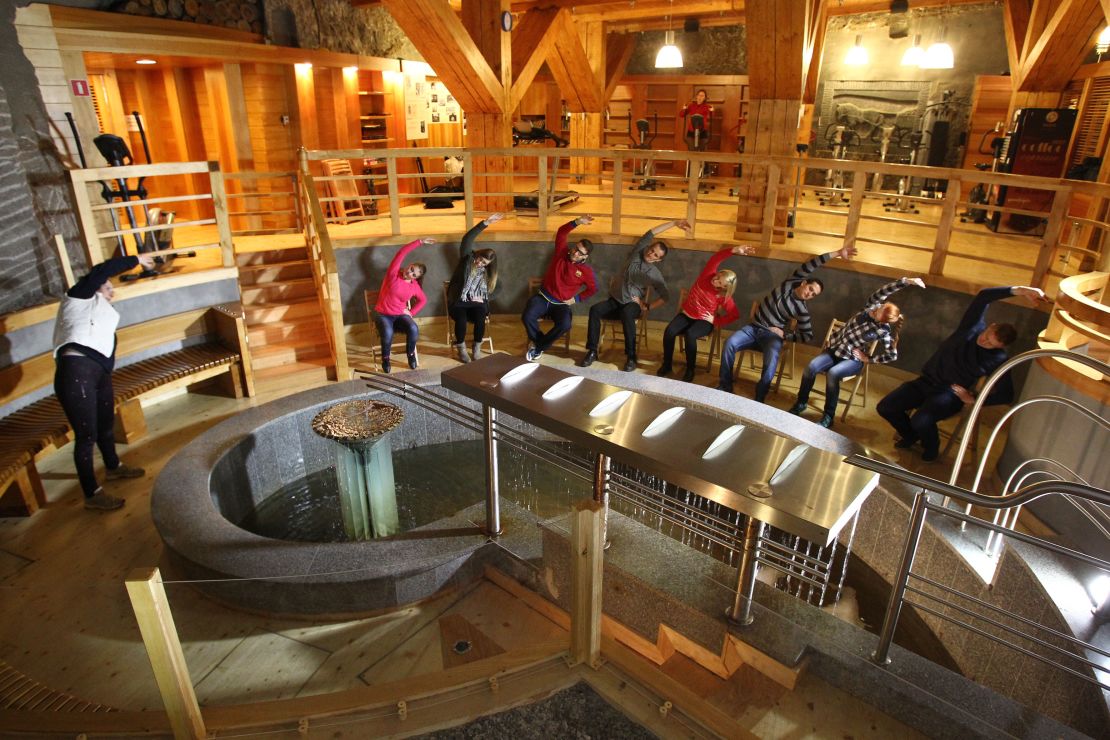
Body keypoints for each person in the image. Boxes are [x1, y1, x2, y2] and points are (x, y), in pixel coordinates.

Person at [877, 285, 1045, 462]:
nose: (984, 341)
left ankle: (931, 446)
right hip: (925, 382)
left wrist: (974, 398)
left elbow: (1007, 394)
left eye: (990, 343)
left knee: (921, 420)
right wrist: (1018, 290)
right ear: (991, 326)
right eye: (987, 335)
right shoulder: (971, 327)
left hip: (949, 394)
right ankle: (911, 436)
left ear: (1000, 347)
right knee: (886, 407)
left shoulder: (998, 359)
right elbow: (983, 295)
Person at [53, 254, 155, 511]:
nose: (113, 291)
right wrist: (136, 259)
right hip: (76, 374)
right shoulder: (78, 297)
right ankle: (92, 494)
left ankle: (113, 467)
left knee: (106, 425)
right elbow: (102, 271)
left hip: (97, 374)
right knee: (86, 435)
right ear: (95, 286)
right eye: (108, 286)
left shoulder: (100, 310)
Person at [717, 244, 857, 400]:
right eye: (810, 289)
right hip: (753, 328)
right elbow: (813, 263)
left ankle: (760, 396)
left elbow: (807, 335)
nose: (809, 294)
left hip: (770, 335)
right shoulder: (791, 282)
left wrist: (785, 334)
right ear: (804, 283)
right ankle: (725, 385)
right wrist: (837, 253)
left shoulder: (801, 310)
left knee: (771, 361)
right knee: (729, 343)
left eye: (813, 295)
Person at [789, 277, 925, 429]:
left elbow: (892, 355)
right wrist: (906, 281)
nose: (876, 309)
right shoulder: (870, 307)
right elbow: (883, 291)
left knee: (833, 374)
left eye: (879, 312)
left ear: (883, 321)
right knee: (811, 367)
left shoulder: (883, 330)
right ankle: (801, 402)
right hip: (835, 350)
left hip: (852, 360)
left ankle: (828, 416)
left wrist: (869, 359)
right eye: (879, 307)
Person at [579, 220, 688, 372]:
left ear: (658, 260)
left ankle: (631, 357)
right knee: (595, 310)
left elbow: (665, 296)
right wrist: (675, 223)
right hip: (615, 301)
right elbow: (652, 232)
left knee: (627, 313)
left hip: (632, 305)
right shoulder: (638, 251)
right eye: (651, 250)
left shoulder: (654, 274)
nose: (651, 254)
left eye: (655, 255)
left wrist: (647, 306)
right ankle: (592, 351)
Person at [657, 245, 752, 382]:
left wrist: (715, 321)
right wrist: (734, 250)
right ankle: (666, 365)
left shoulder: (723, 296)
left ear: (725, 288)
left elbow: (734, 315)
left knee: (690, 335)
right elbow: (716, 258)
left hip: (704, 321)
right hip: (687, 314)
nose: (716, 280)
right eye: (719, 276)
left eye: (720, 282)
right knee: (669, 331)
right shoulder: (707, 275)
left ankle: (690, 370)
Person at [521, 215, 598, 362]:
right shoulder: (561, 252)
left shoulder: (586, 272)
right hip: (542, 297)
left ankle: (538, 347)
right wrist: (577, 222)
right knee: (527, 316)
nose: (575, 253)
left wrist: (575, 299)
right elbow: (562, 232)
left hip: (561, 304)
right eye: (576, 248)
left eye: (580, 253)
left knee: (565, 324)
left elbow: (593, 289)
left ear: (585, 257)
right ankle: (540, 343)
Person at [446, 213, 502, 363]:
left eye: (484, 263)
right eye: (480, 259)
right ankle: (461, 348)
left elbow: (498, 288)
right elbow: (467, 239)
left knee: (480, 317)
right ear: (477, 254)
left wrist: (485, 297)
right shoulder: (467, 259)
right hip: (459, 301)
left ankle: (476, 347)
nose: (479, 264)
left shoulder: (488, 273)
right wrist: (485, 223)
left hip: (476, 303)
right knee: (462, 320)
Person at [374, 237, 435, 373]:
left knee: (413, 328)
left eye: (414, 274)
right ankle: (385, 358)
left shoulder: (414, 287)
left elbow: (423, 300)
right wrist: (420, 242)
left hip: (400, 315)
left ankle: (411, 355)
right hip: (383, 315)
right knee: (388, 332)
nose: (410, 272)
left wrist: (411, 313)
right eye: (411, 269)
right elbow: (401, 253)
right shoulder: (393, 274)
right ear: (410, 264)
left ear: (416, 278)